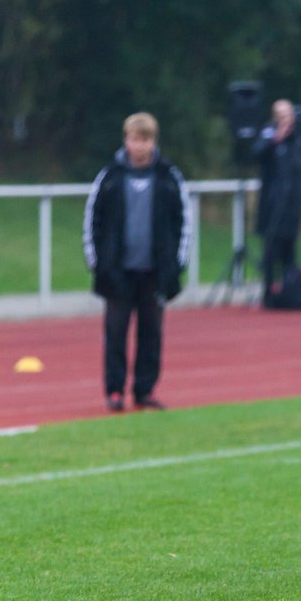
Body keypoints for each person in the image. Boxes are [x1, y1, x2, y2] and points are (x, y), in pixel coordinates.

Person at [83, 112, 191, 412]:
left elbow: (183, 221)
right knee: (116, 333)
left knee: (151, 334)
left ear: (153, 142)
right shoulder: (110, 177)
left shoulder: (169, 177)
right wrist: (98, 263)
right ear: (126, 140)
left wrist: (176, 264)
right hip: (118, 271)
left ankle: (144, 390)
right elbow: (93, 219)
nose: (139, 146)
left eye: (144, 140)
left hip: (155, 272)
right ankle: (114, 390)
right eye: (134, 139)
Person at [253, 99, 301, 310]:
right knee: (270, 251)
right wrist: (277, 137)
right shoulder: (268, 134)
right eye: (283, 114)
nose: (288, 118)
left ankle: (289, 293)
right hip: (271, 205)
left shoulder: (297, 139)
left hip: (292, 205)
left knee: (290, 250)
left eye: (290, 113)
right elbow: (257, 154)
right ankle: (268, 294)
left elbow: (300, 167)